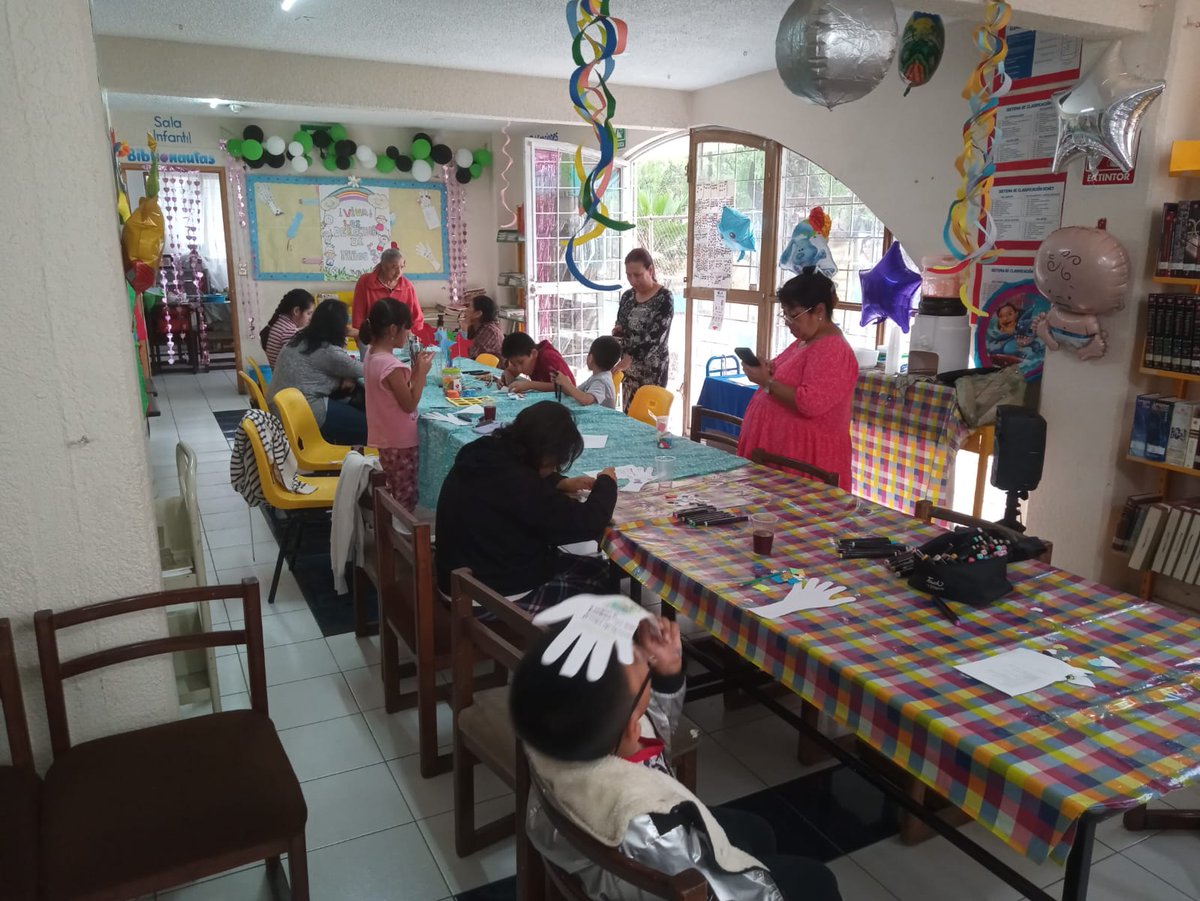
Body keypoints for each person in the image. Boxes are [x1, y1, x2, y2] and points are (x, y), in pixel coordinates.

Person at [512, 620, 843, 901]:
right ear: (630, 726)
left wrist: (667, 676)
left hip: (636, 846)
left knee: (758, 831)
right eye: (646, 671)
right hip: (672, 870)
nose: (646, 659)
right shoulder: (649, 829)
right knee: (819, 881)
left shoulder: (556, 731)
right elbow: (711, 888)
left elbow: (653, 729)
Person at [435, 401, 616, 612]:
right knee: (602, 579)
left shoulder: (482, 451)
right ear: (546, 454)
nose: (554, 468)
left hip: (458, 578)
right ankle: (570, 643)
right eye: (554, 463)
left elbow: (522, 490)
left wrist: (558, 482)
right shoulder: (520, 483)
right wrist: (607, 482)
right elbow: (587, 522)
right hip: (487, 598)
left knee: (589, 566)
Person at [736, 268, 859, 490]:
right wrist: (771, 371)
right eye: (785, 315)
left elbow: (810, 402)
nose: (788, 323)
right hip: (782, 454)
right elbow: (791, 379)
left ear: (819, 311)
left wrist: (767, 382)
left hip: (805, 458)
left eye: (794, 315)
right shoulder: (805, 340)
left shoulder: (832, 348)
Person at [360, 298, 432, 511]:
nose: (408, 334)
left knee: (394, 488)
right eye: (406, 329)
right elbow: (409, 403)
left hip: (385, 437)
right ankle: (401, 539)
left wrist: (416, 370)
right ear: (393, 329)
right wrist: (422, 376)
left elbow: (396, 393)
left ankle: (392, 533)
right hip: (401, 441)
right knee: (404, 494)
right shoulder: (391, 366)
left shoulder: (372, 357)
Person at [268, 298, 367, 447]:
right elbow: (369, 369)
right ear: (339, 328)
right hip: (303, 415)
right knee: (372, 427)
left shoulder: (301, 339)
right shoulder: (327, 351)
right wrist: (360, 337)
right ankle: (354, 461)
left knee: (353, 399)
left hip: (282, 410)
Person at [613, 248, 674, 412]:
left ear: (650, 270)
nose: (632, 280)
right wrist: (617, 333)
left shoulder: (664, 298)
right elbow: (621, 325)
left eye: (637, 275)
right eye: (628, 275)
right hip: (628, 371)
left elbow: (655, 338)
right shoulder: (627, 296)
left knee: (648, 420)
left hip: (652, 372)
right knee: (629, 415)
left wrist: (629, 358)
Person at [352, 247, 426, 339]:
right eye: (394, 267)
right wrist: (361, 337)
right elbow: (358, 314)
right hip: (373, 338)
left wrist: (410, 336)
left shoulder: (407, 286)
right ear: (383, 266)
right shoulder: (365, 282)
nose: (399, 272)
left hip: (399, 339)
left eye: (402, 267)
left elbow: (417, 317)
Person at [551, 335, 621, 409]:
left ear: (590, 358)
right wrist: (563, 384)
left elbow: (586, 400)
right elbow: (577, 393)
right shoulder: (597, 377)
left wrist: (567, 383)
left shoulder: (602, 381)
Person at [501, 331, 575, 394]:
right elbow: (510, 371)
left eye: (521, 363)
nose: (519, 369)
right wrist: (506, 377)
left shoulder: (548, 357)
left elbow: (567, 386)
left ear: (533, 353)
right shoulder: (527, 358)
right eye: (514, 364)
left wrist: (529, 385)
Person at [260, 289, 314, 368]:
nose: (310, 318)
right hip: (286, 379)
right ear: (296, 311)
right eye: (308, 313)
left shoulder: (279, 323)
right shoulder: (289, 331)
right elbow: (299, 364)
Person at [458, 294, 505, 360]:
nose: (466, 310)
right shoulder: (474, 326)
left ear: (478, 314)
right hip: (475, 366)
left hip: (490, 369)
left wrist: (464, 330)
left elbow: (467, 355)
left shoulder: (490, 331)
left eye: (469, 307)